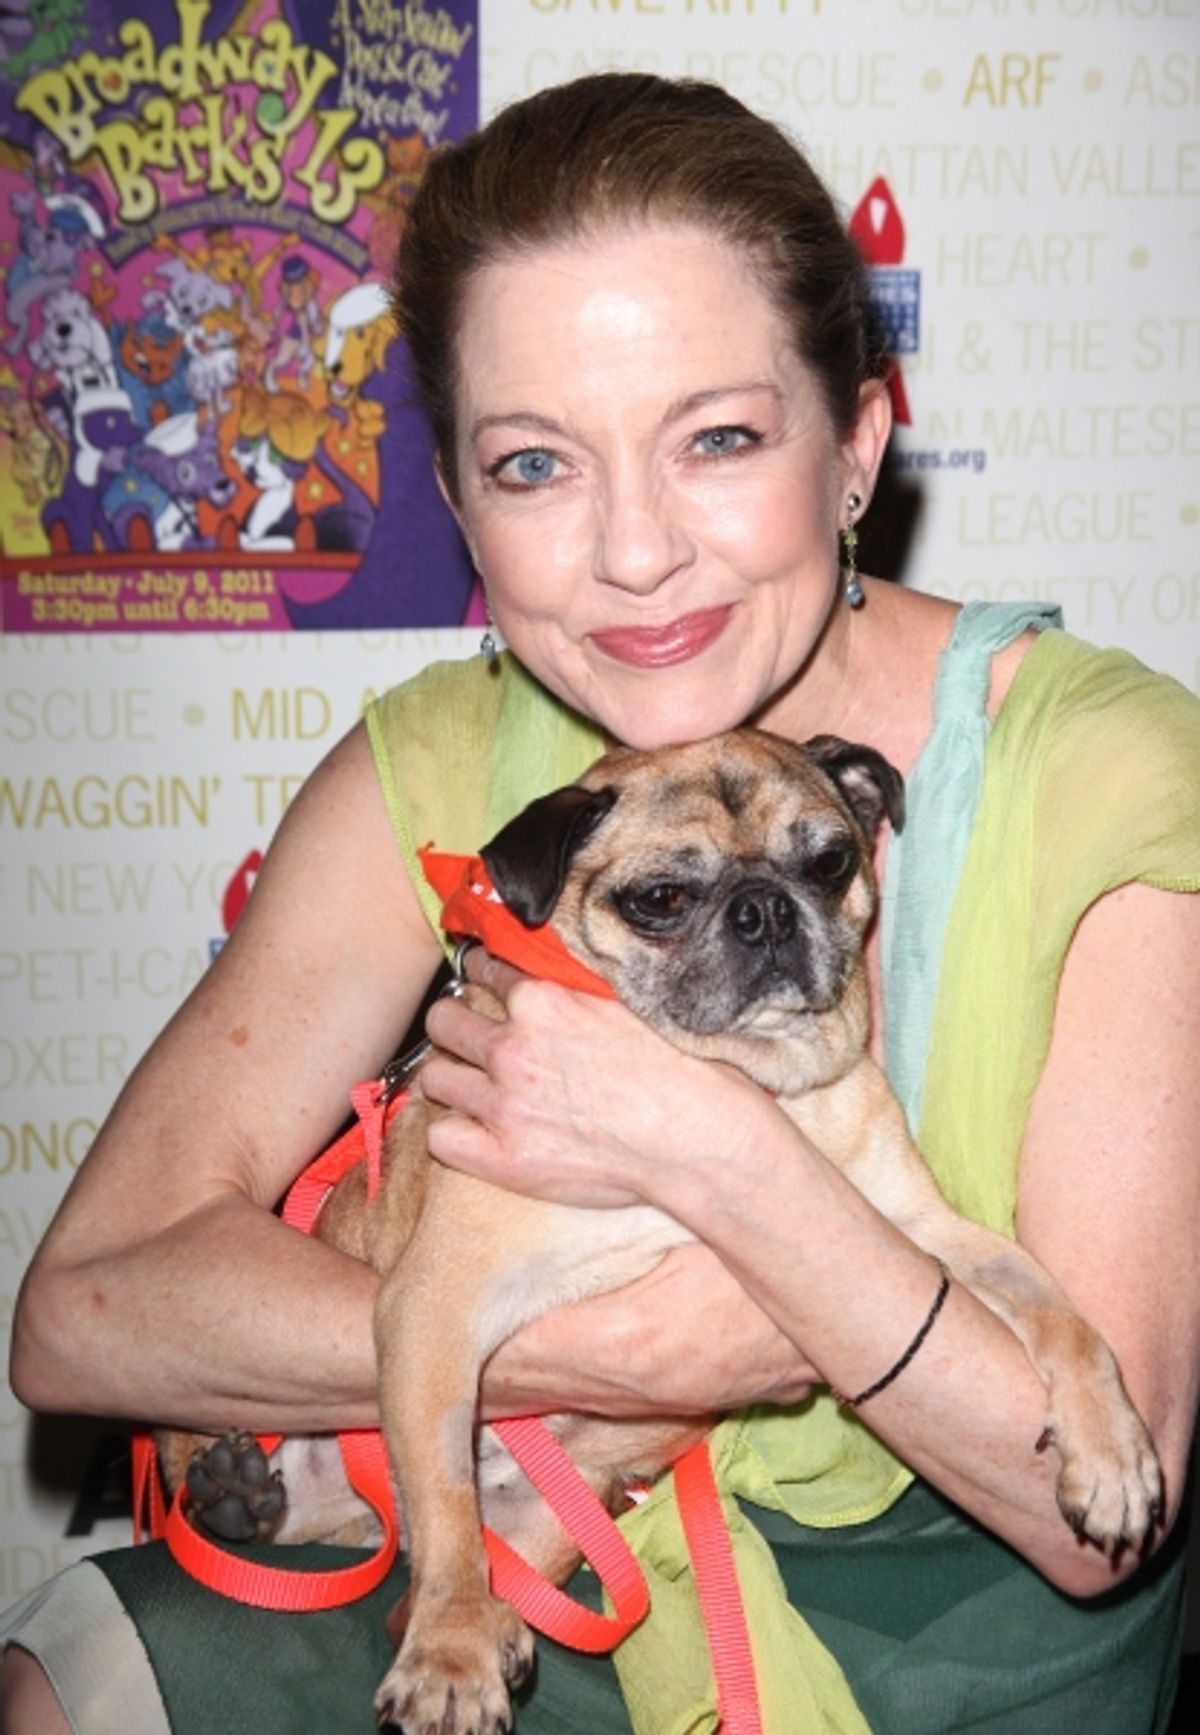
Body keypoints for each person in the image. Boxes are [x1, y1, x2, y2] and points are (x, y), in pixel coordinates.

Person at [4, 73, 1199, 1735]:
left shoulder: (1108, 765)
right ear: (458, 512)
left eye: (716, 438)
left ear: (856, 439)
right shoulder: (431, 771)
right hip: (500, 1552)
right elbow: (80, 1320)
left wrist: (709, 1162)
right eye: (536, 463)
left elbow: (1085, 1522)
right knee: (74, 1680)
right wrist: (606, 1356)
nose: (635, 551)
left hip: (957, 1629)